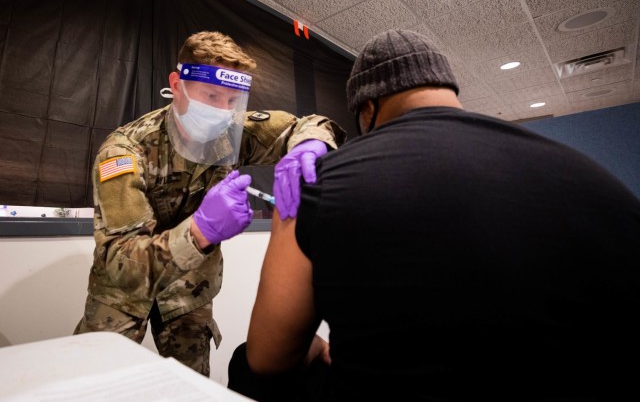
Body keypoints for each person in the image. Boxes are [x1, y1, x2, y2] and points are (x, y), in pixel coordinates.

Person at [228, 29, 640, 400]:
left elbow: (269, 358)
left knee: (246, 362)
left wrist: (320, 347)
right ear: (446, 89)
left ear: (368, 108)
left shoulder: (311, 186)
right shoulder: (591, 176)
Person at [74, 30, 345, 377]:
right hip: (122, 295)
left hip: (189, 289)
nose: (222, 111)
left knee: (192, 385)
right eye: (212, 95)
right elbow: (119, 262)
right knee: (91, 381)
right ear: (177, 85)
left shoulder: (230, 132)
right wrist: (200, 231)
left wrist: (310, 144)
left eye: (232, 101)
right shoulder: (126, 150)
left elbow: (309, 124)